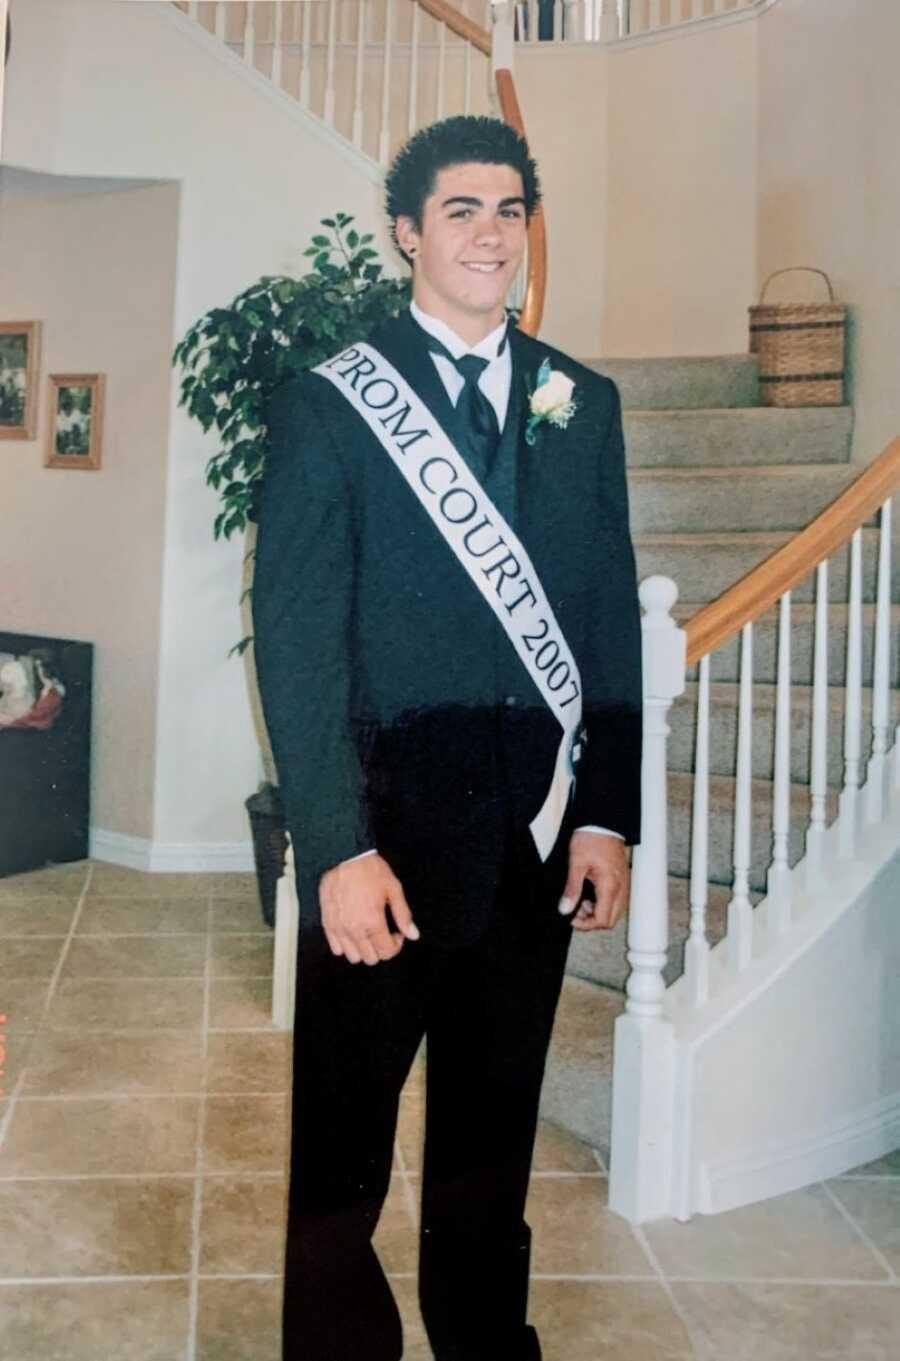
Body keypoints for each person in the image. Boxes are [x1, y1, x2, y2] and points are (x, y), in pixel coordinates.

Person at [252, 115, 642, 1361]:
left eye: (512, 209)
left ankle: (484, 1340)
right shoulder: (332, 405)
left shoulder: (584, 404)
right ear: (407, 234)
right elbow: (299, 640)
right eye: (462, 210)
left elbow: (605, 627)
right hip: (385, 834)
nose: (492, 233)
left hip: (530, 837)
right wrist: (335, 847)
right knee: (343, 1156)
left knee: (491, 1140)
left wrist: (604, 810)